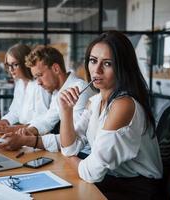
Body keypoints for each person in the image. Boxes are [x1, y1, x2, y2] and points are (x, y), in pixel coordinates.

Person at [58, 31, 163, 199]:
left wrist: (70, 158)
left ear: (123, 67)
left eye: (107, 64)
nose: (97, 70)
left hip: (137, 190)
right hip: (114, 179)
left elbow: (91, 172)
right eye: (93, 61)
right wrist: (66, 111)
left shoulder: (124, 105)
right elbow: (70, 147)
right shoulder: (95, 101)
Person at [0, 46, 94, 152]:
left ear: (56, 69)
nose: (38, 82)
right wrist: (28, 131)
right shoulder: (57, 92)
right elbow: (47, 120)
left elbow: (72, 139)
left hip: (85, 155)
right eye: (35, 78)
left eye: (40, 75)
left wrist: (26, 141)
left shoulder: (79, 90)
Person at [0, 44, 51, 133]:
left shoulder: (40, 85)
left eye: (15, 65)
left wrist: (12, 129)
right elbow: (15, 113)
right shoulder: (19, 83)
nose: (11, 69)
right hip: (23, 132)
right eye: (8, 65)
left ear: (25, 63)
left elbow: (42, 120)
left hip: (37, 134)